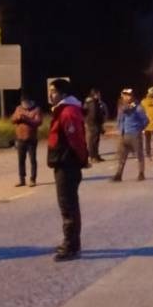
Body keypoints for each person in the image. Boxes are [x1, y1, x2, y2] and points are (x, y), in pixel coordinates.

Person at [47, 78, 89, 262]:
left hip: (67, 164)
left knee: (68, 206)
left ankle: (70, 246)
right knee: (68, 205)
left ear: (63, 94)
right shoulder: (62, 110)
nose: (50, 94)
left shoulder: (68, 112)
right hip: (63, 163)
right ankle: (73, 242)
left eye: (54, 91)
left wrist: (83, 159)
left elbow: (76, 139)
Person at [113, 88, 148, 182]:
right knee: (122, 156)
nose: (126, 97)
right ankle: (118, 175)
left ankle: (141, 173)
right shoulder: (122, 107)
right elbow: (120, 120)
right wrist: (120, 130)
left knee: (139, 154)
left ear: (132, 96)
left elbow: (145, 120)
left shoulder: (137, 107)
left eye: (128, 95)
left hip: (135, 134)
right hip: (124, 135)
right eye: (124, 95)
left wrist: (139, 128)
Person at [12, 92, 42, 187]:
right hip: (20, 138)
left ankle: (33, 179)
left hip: (31, 139)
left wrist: (26, 119)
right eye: (23, 102)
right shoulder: (19, 108)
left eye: (26, 101)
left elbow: (38, 122)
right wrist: (18, 118)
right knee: (21, 160)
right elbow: (12, 119)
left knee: (32, 160)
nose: (25, 103)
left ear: (31, 101)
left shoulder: (36, 109)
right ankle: (22, 179)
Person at [83, 88, 107, 163]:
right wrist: (98, 121)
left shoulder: (95, 102)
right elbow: (94, 115)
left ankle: (96, 155)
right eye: (98, 94)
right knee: (92, 141)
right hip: (93, 124)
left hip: (95, 124)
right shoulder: (92, 103)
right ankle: (92, 157)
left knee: (96, 140)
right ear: (95, 94)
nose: (99, 95)